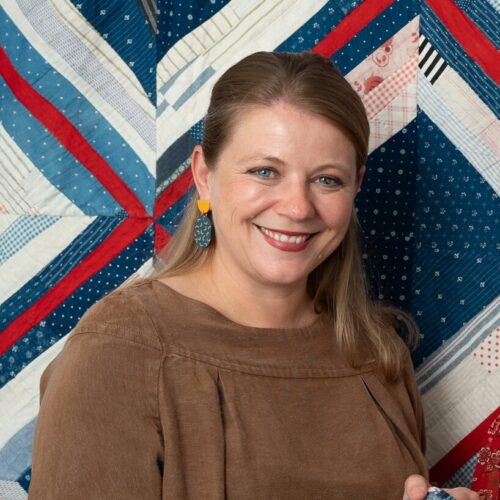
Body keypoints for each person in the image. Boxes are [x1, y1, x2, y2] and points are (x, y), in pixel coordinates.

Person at [28, 51, 478, 499]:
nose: (297, 207)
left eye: (327, 180)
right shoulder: (117, 350)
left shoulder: (378, 355)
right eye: (265, 171)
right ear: (204, 174)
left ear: (356, 185)